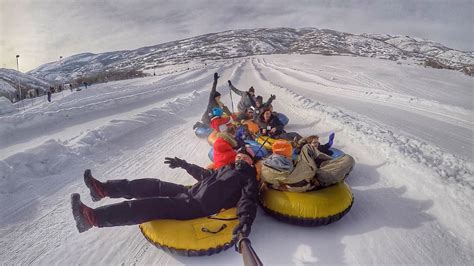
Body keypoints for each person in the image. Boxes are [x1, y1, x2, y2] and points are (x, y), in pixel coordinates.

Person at [71, 149, 258, 237]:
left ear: (251, 161)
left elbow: (248, 200)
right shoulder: (225, 169)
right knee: (153, 185)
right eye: (239, 155)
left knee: (150, 205)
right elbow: (204, 175)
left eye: (245, 156)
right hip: (188, 192)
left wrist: (245, 221)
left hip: (194, 206)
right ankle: (103, 189)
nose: (241, 157)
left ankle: (91, 219)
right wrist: (184, 164)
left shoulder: (248, 179)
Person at [262, 135, 355, 192]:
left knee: (307, 147)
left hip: (302, 169)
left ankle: (329, 162)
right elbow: (297, 186)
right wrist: (315, 183)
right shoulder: (286, 173)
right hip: (313, 177)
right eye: (289, 154)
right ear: (286, 154)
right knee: (349, 159)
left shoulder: (270, 163)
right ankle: (332, 164)